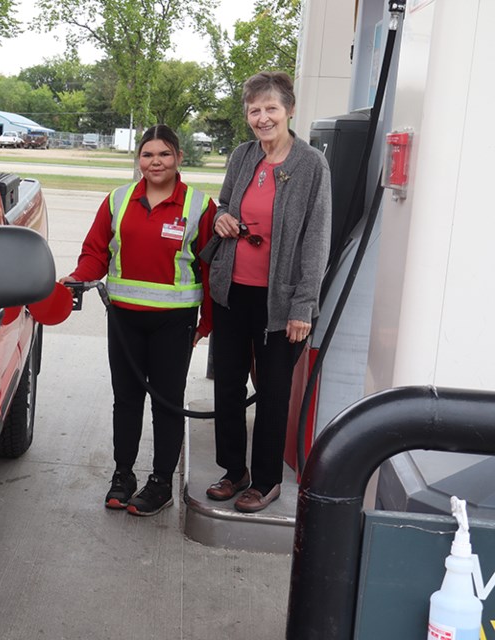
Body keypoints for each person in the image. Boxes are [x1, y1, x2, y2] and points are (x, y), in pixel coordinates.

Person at [62, 124, 216, 517]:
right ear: (139, 160)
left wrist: (207, 322)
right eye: (147, 155)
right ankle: (123, 475)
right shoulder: (118, 199)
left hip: (174, 322)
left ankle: (161, 481)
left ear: (179, 158)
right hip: (124, 319)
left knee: (166, 404)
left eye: (164, 154)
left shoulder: (199, 205)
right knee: (126, 401)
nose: (155, 162)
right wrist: (79, 276)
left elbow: (212, 267)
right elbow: (96, 249)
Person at [202, 71, 332, 513]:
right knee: (228, 387)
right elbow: (224, 203)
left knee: (274, 390)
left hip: (283, 303)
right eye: (254, 110)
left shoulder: (311, 164)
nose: (262, 118)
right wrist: (222, 217)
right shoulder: (242, 157)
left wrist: (303, 305)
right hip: (233, 291)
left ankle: (266, 480)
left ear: (289, 110)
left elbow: (316, 240)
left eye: (271, 108)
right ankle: (233, 469)